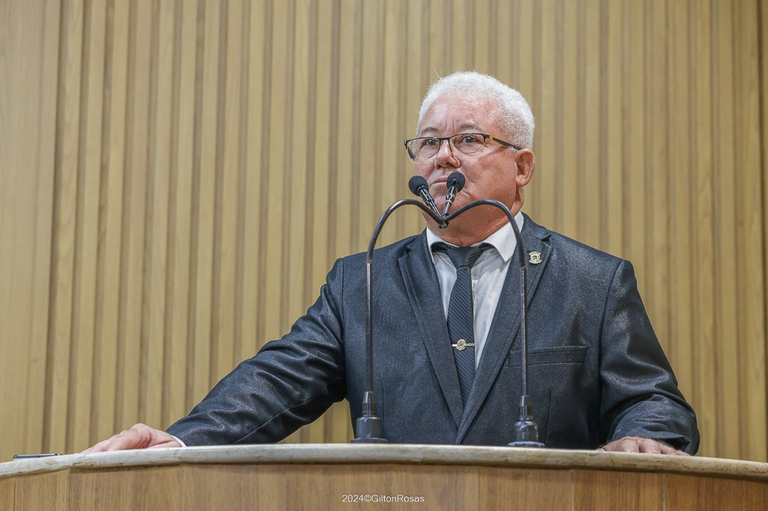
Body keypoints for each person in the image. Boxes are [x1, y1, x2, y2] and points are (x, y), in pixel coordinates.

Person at [85, 71, 698, 456]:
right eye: (429, 142)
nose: (441, 157)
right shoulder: (363, 283)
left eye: (469, 138)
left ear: (522, 167)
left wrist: (646, 434)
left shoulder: (593, 281)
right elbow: (277, 381)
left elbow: (653, 401)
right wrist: (182, 440)